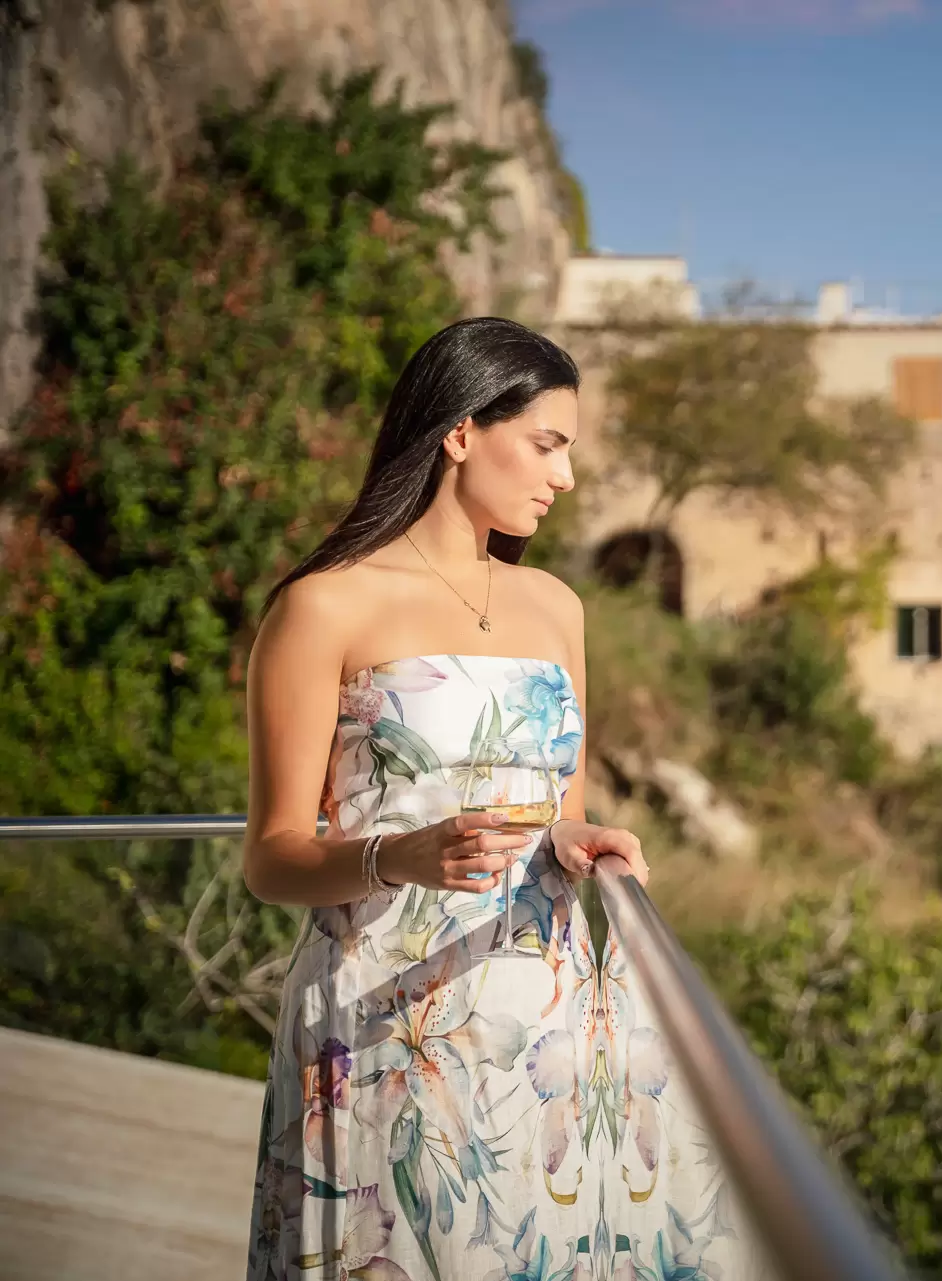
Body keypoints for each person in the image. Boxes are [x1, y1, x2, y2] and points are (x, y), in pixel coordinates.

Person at [242, 318, 746, 1280]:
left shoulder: (557, 605)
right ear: (462, 430)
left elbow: (560, 805)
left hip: (544, 1022)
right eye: (548, 444)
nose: (564, 477)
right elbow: (270, 855)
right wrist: (401, 855)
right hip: (384, 1019)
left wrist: (585, 837)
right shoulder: (324, 604)